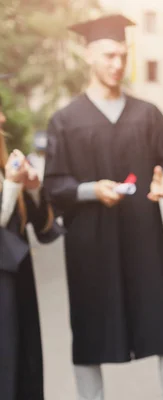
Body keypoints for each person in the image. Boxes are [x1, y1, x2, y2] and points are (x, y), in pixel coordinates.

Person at [43, 15, 163, 400]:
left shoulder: (147, 114)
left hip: (144, 235)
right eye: (109, 55)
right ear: (88, 55)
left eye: (123, 55)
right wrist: (92, 190)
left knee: (162, 320)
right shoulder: (65, 120)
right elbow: (54, 184)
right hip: (89, 245)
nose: (117, 64)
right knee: (90, 326)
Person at [0, 92, 60, 399]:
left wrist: (32, 189)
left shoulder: (4, 159)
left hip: (15, 284)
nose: (2, 119)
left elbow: (36, 225)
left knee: (22, 365)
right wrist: (10, 186)